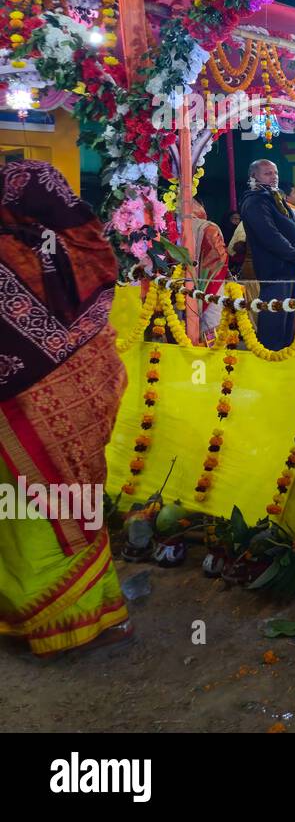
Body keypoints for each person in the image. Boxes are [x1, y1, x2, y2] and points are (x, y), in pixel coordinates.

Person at [0, 160, 133, 656]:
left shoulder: (34, 248)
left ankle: (20, 613)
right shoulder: (44, 251)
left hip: (10, 417)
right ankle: (75, 618)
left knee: (15, 511)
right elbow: (99, 258)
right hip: (48, 406)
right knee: (65, 504)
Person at [239, 159, 295, 349]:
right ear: (254, 176)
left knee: (287, 321)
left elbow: (292, 230)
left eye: (275, 173)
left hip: (288, 269)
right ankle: (269, 363)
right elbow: (270, 237)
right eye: (268, 173)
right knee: (275, 324)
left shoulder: (273, 197)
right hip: (275, 271)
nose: (274, 177)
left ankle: (283, 362)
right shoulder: (255, 201)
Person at [189, 201, 230, 340]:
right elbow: (220, 258)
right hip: (210, 282)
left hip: (180, 284)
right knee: (211, 320)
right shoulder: (209, 227)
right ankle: (213, 357)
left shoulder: (171, 227)